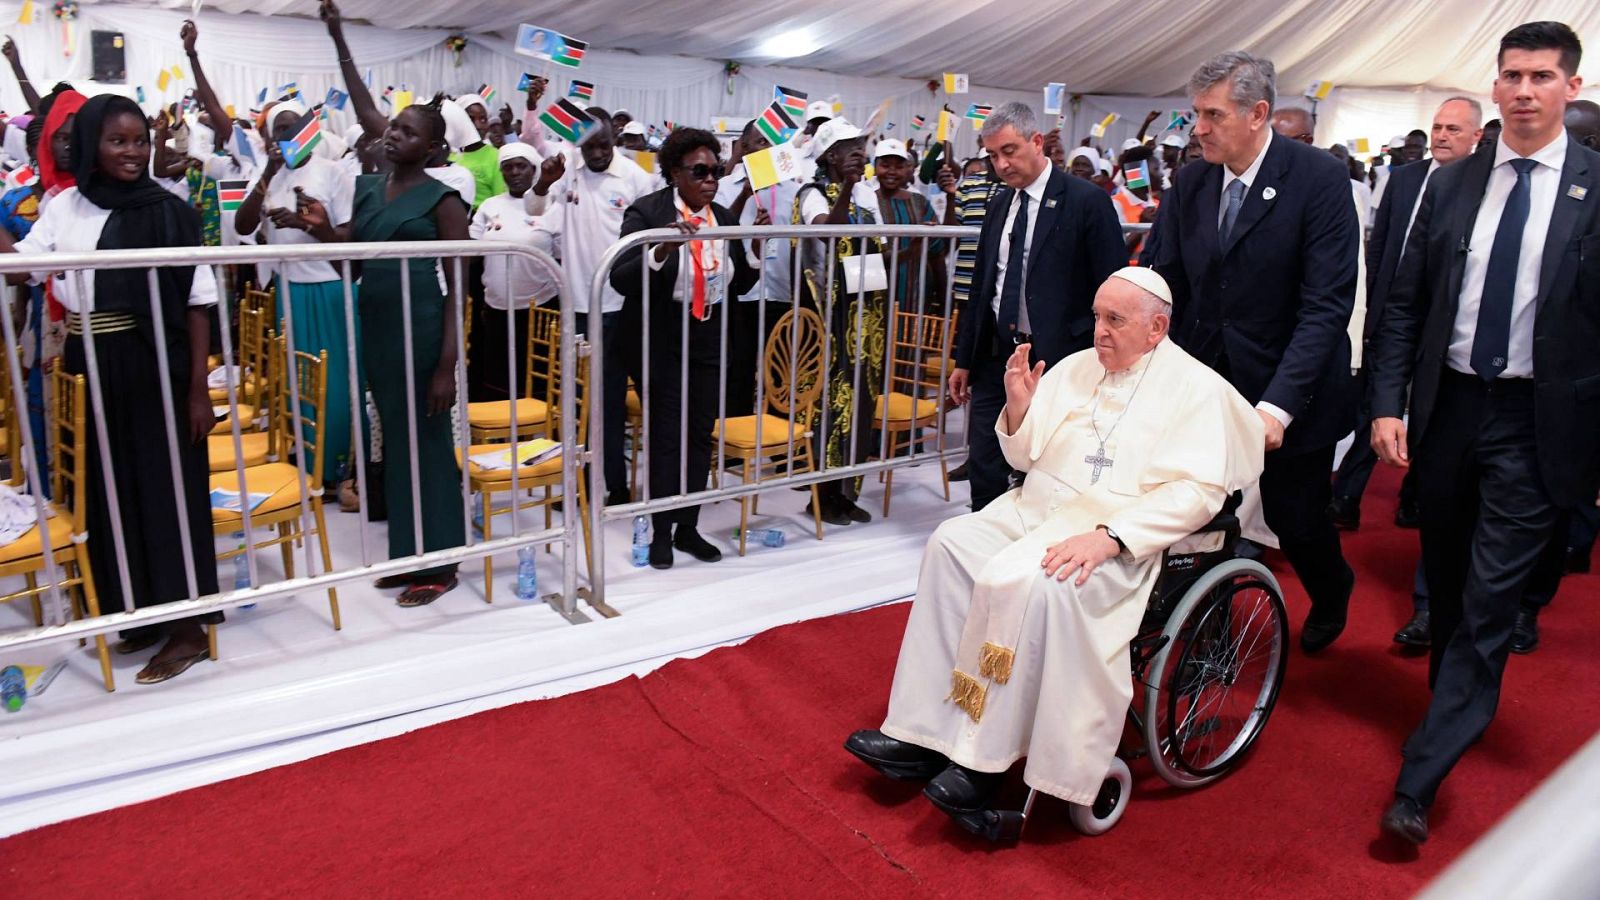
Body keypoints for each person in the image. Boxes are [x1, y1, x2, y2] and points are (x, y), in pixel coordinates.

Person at [844, 268, 1264, 821]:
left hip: (1115, 538)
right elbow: (1024, 457)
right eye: (1097, 316)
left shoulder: (1197, 389)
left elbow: (1197, 494)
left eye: (1115, 320)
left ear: (1156, 328)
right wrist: (1020, 408)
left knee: (1044, 586)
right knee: (950, 544)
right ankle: (922, 731)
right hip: (1034, 512)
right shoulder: (1075, 367)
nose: (1099, 331)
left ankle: (985, 760)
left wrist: (1112, 537)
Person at [1368, 21, 1600, 845]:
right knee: (1447, 576)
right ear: (1495, 86)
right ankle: (1450, 712)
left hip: (1538, 423)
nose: (1525, 90)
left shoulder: (1595, 186)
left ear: (1571, 88)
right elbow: (1404, 301)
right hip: (1450, 410)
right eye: (1512, 76)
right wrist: (1386, 402)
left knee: (1491, 595)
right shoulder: (1455, 182)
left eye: (1542, 76)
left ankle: (1419, 778)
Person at [0, 94, 223, 684]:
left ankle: (188, 630)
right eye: (117, 141)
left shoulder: (169, 210)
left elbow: (199, 301)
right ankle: (141, 611)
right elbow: (23, 266)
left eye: (139, 141)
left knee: (163, 491)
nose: (132, 152)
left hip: (151, 363)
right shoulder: (65, 206)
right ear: (91, 145)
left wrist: (198, 391)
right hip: (87, 357)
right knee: (110, 489)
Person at [1145, 51, 1359, 655]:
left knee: (1295, 518)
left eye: (1213, 115)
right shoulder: (1192, 182)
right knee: (1201, 514)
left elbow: (1325, 306)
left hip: (1293, 387)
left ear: (1257, 113)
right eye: (1196, 113)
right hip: (1209, 381)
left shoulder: (1318, 179)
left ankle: (1333, 588)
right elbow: (1167, 281)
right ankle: (1207, 632)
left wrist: (1278, 407)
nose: (1199, 129)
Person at [301, 97, 470, 608]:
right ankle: (410, 554)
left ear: (433, 148)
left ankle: (441, 564)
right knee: (395, 443)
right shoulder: (368, 188)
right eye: (394, 126)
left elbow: (458, 289)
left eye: (408, 132)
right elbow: (353, 254)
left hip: (422, 330)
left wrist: (447, 366)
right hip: (378, 328)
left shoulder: (444, 200)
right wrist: (322, 230)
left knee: (430, 445)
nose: (394, 135)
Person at [1333, 97, 1483, 647]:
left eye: (1453, 129)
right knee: (1375, 408)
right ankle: (1347, 496)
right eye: (1437, 127)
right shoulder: (1403, 180)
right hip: (1394, 319)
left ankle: (1416, 508)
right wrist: (1371, 315)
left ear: (1475, 137)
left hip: (1450, 336)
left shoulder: (1481, 186)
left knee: (1436, 429)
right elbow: (1379, 251)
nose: (1441, 136)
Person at [949, 102, 1126, 513]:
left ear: (1036, 141)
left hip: (1061, 357)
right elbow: (983, 286)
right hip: (997, 354)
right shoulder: (999, 205)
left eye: (1009, 151)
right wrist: (964, 358)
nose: (1001, 164)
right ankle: (984, 532)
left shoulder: (1085, 201)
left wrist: (1107, 358)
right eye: (993, 155)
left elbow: (1113, 286)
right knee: (985, 458)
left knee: (1048, 463)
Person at [611, 127, 757, 568]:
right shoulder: (647, 211)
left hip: (710, 333)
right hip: (662, 336)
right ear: (675, 173)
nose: (711, 180)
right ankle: (660, 530)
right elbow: (621, 277)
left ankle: (687, 527)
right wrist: (660, 249)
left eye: (715, 171)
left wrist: (753, 252)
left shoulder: (724, 218)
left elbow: (740, 283)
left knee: (698, 434)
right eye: (700, 171)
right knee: (666, 436)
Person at [532, 106, 655, 508]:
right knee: (577, 401)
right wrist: (543, 183)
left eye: (604, 144)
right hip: (577, 307)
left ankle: (614, 486)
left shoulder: (636, 178)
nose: (597, 153)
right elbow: (535, 212)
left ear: (615, 139)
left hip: (621, 306)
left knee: (609, 401)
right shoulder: (567, 170)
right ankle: (582, 484)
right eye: (589, 146)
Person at [233, 97, 359, 486]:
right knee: (298, 382)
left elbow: (348, 236)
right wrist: (268, 173)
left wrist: (309, 225)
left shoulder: (333, 172)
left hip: (329, 288)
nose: (287, 135)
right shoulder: (268, 176)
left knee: (334, 383)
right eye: (280, 129)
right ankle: (308, 464)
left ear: (309, 130)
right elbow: (242, 226)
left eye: (294, 126)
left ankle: (340, 466)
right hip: (290, 290)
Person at [792, 118, 887, 525]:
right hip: (828, 312)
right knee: (829, 404)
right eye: (850, 147)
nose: (859, 152)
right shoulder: (811, 193)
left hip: (865, 314)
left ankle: (848, 492)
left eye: (861, 145)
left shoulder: (867, 194)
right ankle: (822, 496)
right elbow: (826, 232)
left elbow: (878, 248)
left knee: (862, 402)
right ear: (830, 156)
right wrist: (847, 187)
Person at [716, 119, 802, 417]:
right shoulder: (724, 188)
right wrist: (744, 196)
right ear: (744, 147)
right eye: (761, 142)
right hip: (738, 296)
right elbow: (718, 228)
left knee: (780, 375)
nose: (768, 148)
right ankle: (732, 435)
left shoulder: (795, 190)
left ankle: (779, 439)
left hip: (781, 294)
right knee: (736, 374)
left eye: (774, 142)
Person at [467, 142, 559, 403]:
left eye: (521, 166)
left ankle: (539, 428)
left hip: (540, 309)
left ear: (534, 169)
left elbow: (562, 256)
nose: (515, 172)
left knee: (536, 380)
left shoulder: (553, 205)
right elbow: (471, 249)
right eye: (508, 167)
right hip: (496, 308)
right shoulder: (490, 206)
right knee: (498, 379)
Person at [872, 138, 944, 310]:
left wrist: (943, 297)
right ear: (875, 167)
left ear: (907, 169)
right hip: (876, 294)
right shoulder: (866, 201)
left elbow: (937, 253)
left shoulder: (920, 202)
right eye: (885, 165)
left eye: (898, 167)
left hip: (915, 293)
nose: (892, 172)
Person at [451, 93, 507, 212]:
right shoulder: (447, 154)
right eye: (470, 119)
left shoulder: (496, 157)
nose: (478, 125)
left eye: (483, 119)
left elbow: (500, 201)